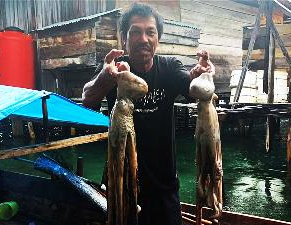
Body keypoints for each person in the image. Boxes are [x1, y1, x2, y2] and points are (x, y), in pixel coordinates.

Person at [82, 3, 214, 225]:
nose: (143, 38)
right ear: (124, 38)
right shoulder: (114, 70)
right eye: (135, 32)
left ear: (158, 39)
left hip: (165, 187)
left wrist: (201, 75)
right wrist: (105, 77)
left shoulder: (169, 67)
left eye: (150, 32)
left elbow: (191, 87)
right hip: (121, 183)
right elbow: (87, 99)